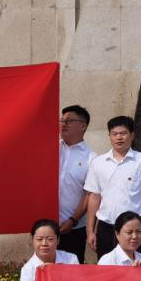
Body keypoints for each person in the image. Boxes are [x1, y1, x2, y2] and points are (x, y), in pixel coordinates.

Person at [84, 115, 141, 259]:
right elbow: (94, 197)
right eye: (114, 134)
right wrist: (90, 231)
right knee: (106, 267)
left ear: (132, 135)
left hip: (134, 229)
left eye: (123, 133)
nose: (119, 137)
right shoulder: (99, 162)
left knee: (134, 267)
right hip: (106, 227)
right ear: (109, 136)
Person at [57, 105, 95, 261]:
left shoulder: (91, 158)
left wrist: (73, 220)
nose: (63, 124)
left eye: (69, 121)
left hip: (74, 227)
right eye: (62, 120)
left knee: (72, 269)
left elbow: (88, 194)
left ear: (83, 126)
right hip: (47, 226)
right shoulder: (50, 149)